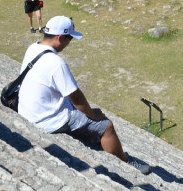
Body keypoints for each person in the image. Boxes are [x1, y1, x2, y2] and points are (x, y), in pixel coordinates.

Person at [18, 15, 151, 174]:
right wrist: (93, 114)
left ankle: (92, 138)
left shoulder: (33, 48)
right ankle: (126, 161)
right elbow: (76, 97)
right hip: (46, 119)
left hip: (27, 110)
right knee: (106, 125)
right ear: (60, 38)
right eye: (70, 39)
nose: (69, 43)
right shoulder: (56, 63)